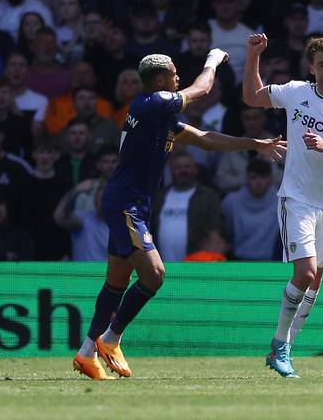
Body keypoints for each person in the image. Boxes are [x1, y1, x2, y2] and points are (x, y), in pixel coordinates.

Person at [72, 49, 285, 380]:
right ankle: (111, 338)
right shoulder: (153, 102)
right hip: (126, 204)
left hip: (131, 203)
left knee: (116, 281)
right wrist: (213, 60)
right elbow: (201, 89)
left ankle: (87, 354)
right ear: (160, 81)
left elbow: (206, 139)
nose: (178, 79)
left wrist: (254, 143)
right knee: (154, 275)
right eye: (174, 75)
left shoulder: (158, 115)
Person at [242, 34, 323, 378]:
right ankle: (280, 345)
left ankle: (285, 349)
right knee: (305, 273)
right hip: (296, 198)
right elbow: (252, 97)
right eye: (321, 64)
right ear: (311, 68)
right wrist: (253, 56)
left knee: (315, 282)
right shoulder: (297, 92)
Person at [151, 151, 223, 261]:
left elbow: (216, 231)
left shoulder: (208, 196)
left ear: (195, 169)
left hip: (197, 265)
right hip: (161, 265)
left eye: (187, 167)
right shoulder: (158, 197)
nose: (183, 170)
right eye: (178, 167)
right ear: (171, 171)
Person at [222, 158, 279, 261]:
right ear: (246, 178)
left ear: (270, 179)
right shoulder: (231, 201)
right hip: (238, 260)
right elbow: (227, 232)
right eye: (254, 177)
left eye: (263, 177)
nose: (258, 182)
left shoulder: (281, 202)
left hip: (273, 261)